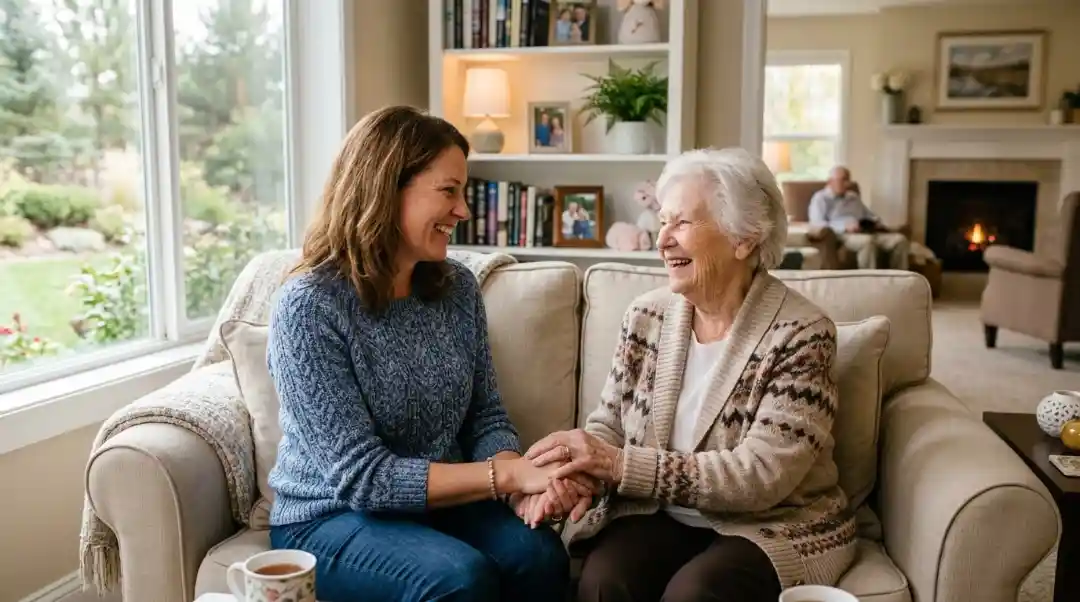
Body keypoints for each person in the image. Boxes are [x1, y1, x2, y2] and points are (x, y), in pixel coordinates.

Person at [265, 106, 581, 602]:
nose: (463, 211)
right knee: (458, 579)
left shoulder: (456, 288)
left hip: (444, 503)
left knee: (539, 557)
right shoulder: (308, 308)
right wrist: (508, 474)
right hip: (330, 517)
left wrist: (518, 484)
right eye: (448, 191)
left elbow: (486, 416)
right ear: (388, 188)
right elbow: (364, 480)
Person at [519, 147, 859, 602]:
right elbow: (609, 427)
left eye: (681, 223)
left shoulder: (801, 334)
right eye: (662, 221)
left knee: (695, 594)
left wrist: (619, 465)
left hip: (771, 523)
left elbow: (761, 476)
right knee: (604, 583)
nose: (662, 240)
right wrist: (576, 476)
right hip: (661, 514)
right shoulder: (647, 315)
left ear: (745, 238)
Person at [808, 165, 910, 269]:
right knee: (867, 241)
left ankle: (899, 278)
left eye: (848, 180)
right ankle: (869, 280)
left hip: (864, 230)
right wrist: (844, 226)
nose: (846, 184)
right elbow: (817, 223)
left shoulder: (853, 197)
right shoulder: (820, 198)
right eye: (842, 180)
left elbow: (868, 214)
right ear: (830, 182)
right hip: (843, 235)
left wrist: (876, 221)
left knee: (900, 240)